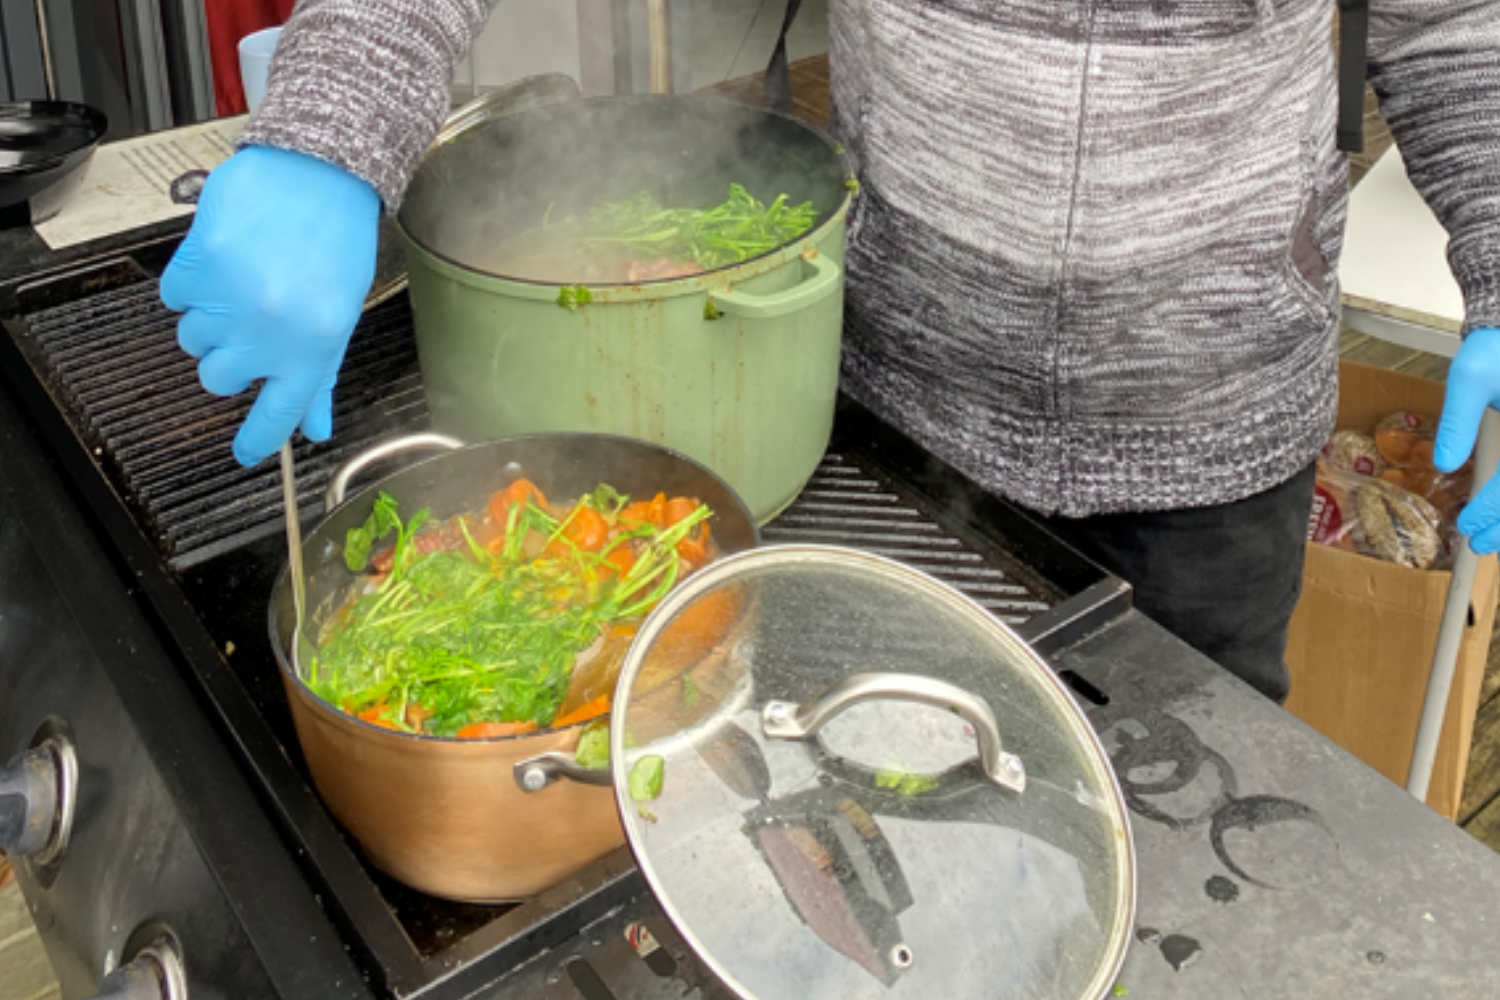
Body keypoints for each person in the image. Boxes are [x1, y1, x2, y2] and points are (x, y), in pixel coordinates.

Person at [161, 0, 1500, 704]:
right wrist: (330, 127)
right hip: (893, 414)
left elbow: (1458, 23)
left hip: (1217, 439)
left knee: (1179, 849)